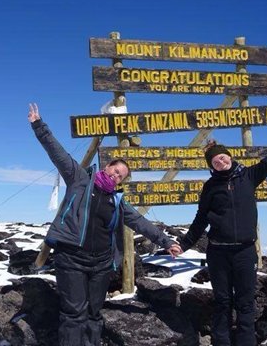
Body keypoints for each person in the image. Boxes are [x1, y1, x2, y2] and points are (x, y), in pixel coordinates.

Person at [27, 103, 182, 346]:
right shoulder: (80, 179)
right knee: (74, 313)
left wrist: (167, 241)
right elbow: (58, 153)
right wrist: (39, 126)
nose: (116, 175)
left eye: (121, 175)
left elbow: (141, 223)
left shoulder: (117, 200)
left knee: (93, 314)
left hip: (100, 264)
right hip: (72, 258)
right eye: (115, 169)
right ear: (107, 166)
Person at [179, 113, 267, 346]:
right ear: (211, 166)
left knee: (245, 303)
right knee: (222, 301)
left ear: (229, 157)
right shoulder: (210, 187)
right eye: (215, 162)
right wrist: (183, 245)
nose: (220, 162)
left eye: (222, 158)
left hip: (244, 252)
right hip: (218, 253)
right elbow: (200, 219)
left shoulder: (249, 176)